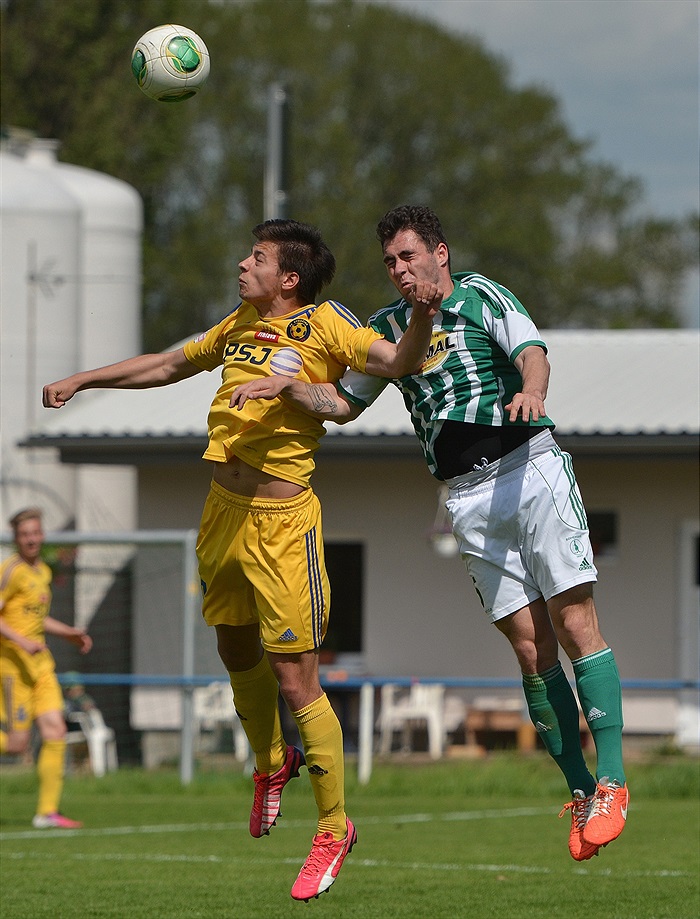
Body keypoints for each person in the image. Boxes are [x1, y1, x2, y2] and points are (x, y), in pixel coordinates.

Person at [43, 218, 440, 899]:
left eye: (255, 257)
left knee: (296, 679)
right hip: (220, 511)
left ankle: (333, 826)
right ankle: (269, 762)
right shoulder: (237, 325)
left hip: (283, 523)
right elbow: (170, 363)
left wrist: (422, 318)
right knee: (232, 648)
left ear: (289, 277)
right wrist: (85, 379)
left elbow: (395, 363)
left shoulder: (325, 323)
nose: (241, 263)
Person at [230, 205, 629, 864]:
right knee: (531, 647)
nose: (399, 269)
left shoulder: (482, 294)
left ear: (439, 254)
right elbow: (344, 405)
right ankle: (583, 790)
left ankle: (614, 781)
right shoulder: (388, 329)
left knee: (576, 615)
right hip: (466, 495)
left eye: (409, 256)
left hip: (528, 464)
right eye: (389, 261)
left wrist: (531, 390)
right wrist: (292, 387)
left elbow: (531, 351)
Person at [0, 507, 93, 828]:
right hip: (14, 667)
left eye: (36, 533)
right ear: (16, 538)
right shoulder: (9, 571)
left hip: (41, 666)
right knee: (17, 746)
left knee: (56, 731)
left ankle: (47, 812)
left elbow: (37, 619)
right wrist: (21, 642)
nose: (32, 539)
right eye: (25, 534)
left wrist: (68, 633)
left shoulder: (43, 572)